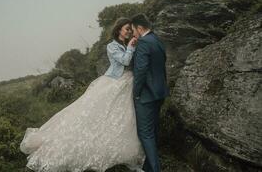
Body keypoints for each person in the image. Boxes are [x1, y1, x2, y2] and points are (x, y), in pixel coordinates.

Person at [19, 17, 145, 172]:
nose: (129, 32)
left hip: (126, 82)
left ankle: (119, 151)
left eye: (130, 29)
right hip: (113, 82)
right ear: (119, 29)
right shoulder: (111, 46)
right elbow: (125, 61)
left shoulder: (127, 43)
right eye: (126, 29)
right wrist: (132, 47)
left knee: (122, 117)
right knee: (95, 114)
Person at [131, 13, 170, 172]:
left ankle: (155, 169)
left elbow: (140, 71)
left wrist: (136, 93)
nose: (133, 33)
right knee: (152, 131)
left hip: (146, 96)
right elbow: (162, 65)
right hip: (160, 93)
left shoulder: (143, 43)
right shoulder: (157, 41)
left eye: (134, 30)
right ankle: (147, 166)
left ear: (140, 28)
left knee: (145, 134)